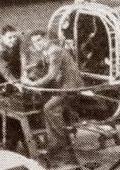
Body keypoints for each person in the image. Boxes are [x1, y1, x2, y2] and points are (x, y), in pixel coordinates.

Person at [22, 31, 84, 159]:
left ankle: (60, 143)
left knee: (49, 108)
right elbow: (40, 65)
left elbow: (52, 75)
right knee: (44, 103)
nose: (36, 44)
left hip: (70, 87)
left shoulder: (54, 51)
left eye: (39, 40)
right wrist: (26, 71)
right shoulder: (47, 51)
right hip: (62, 86)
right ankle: (54, 140)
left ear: (47, 39)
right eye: (34, 42)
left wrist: (33, 84)